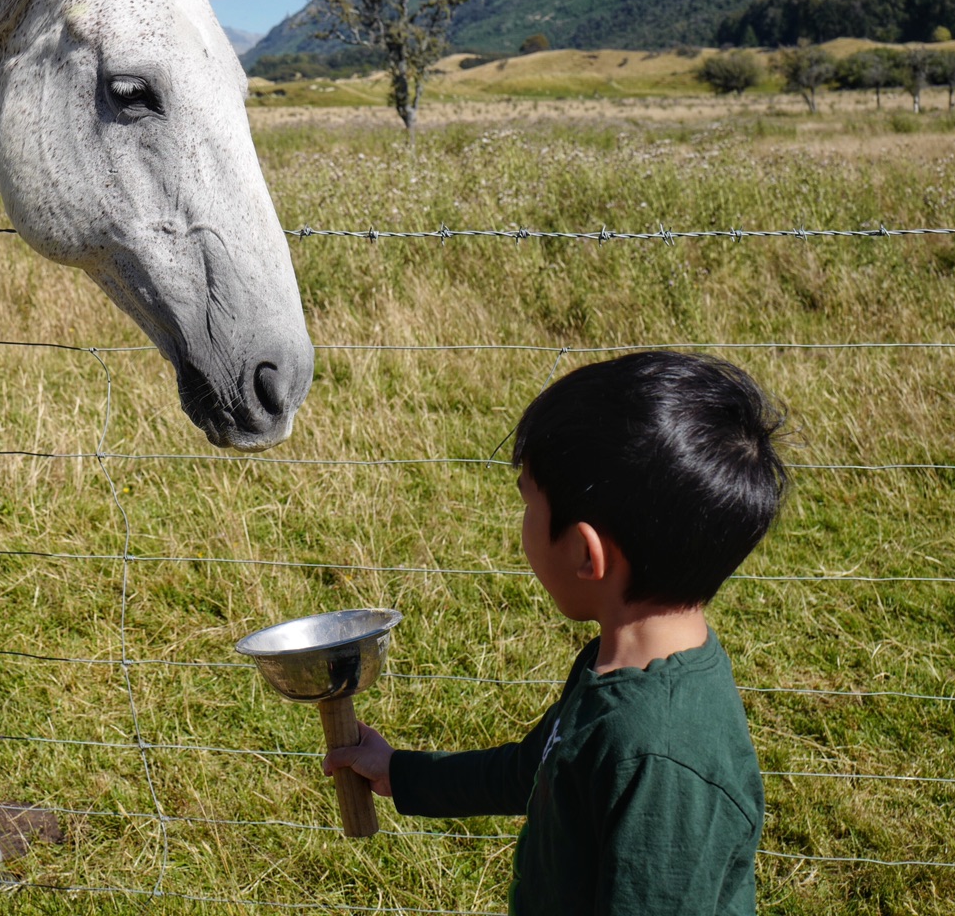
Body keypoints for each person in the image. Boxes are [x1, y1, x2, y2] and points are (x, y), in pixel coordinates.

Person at [325, 350, 788, 914]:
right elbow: (538, 768)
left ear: (584, 553)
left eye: (529, 504)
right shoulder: (618, 664)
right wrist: (400, 771)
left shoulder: (660, 767)